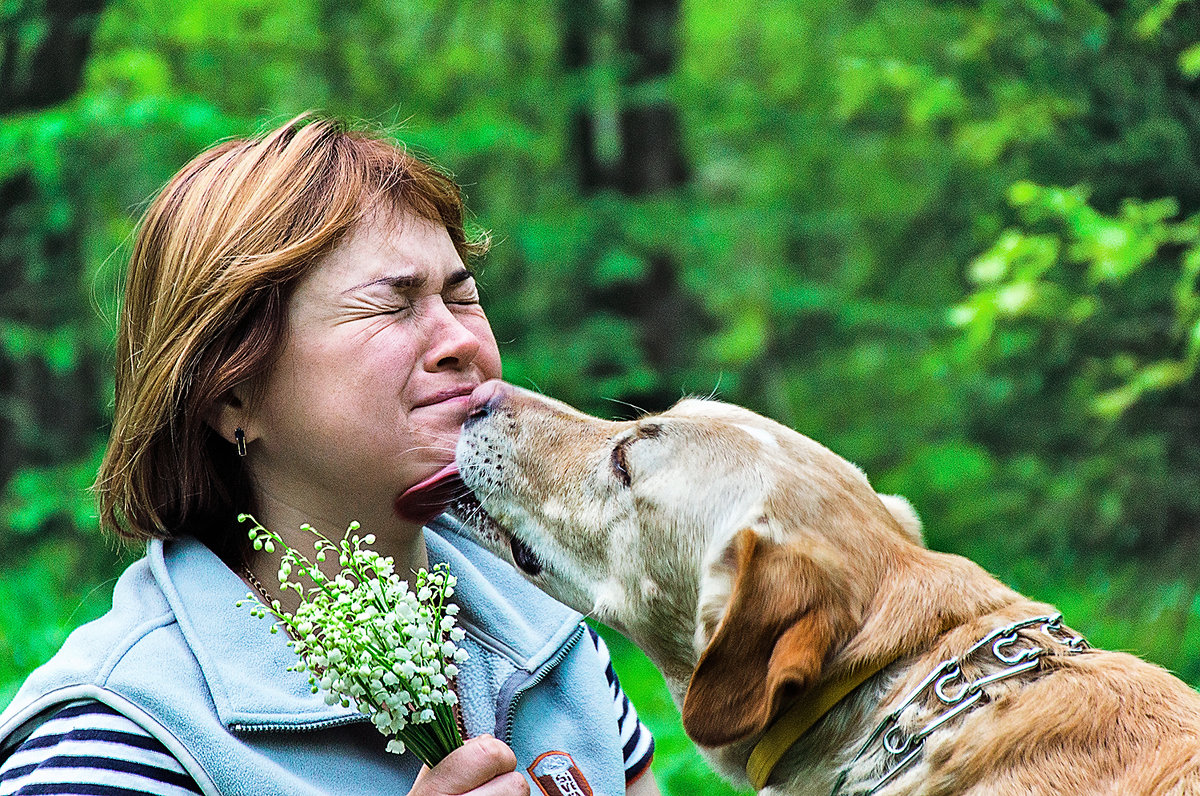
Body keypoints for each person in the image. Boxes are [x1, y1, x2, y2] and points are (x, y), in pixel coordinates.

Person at [0, 115, 659, 796]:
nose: (459, 338)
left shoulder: (545, 630)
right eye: (394, 305)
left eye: (462, 296)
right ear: (233, 394)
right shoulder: (116, 734)